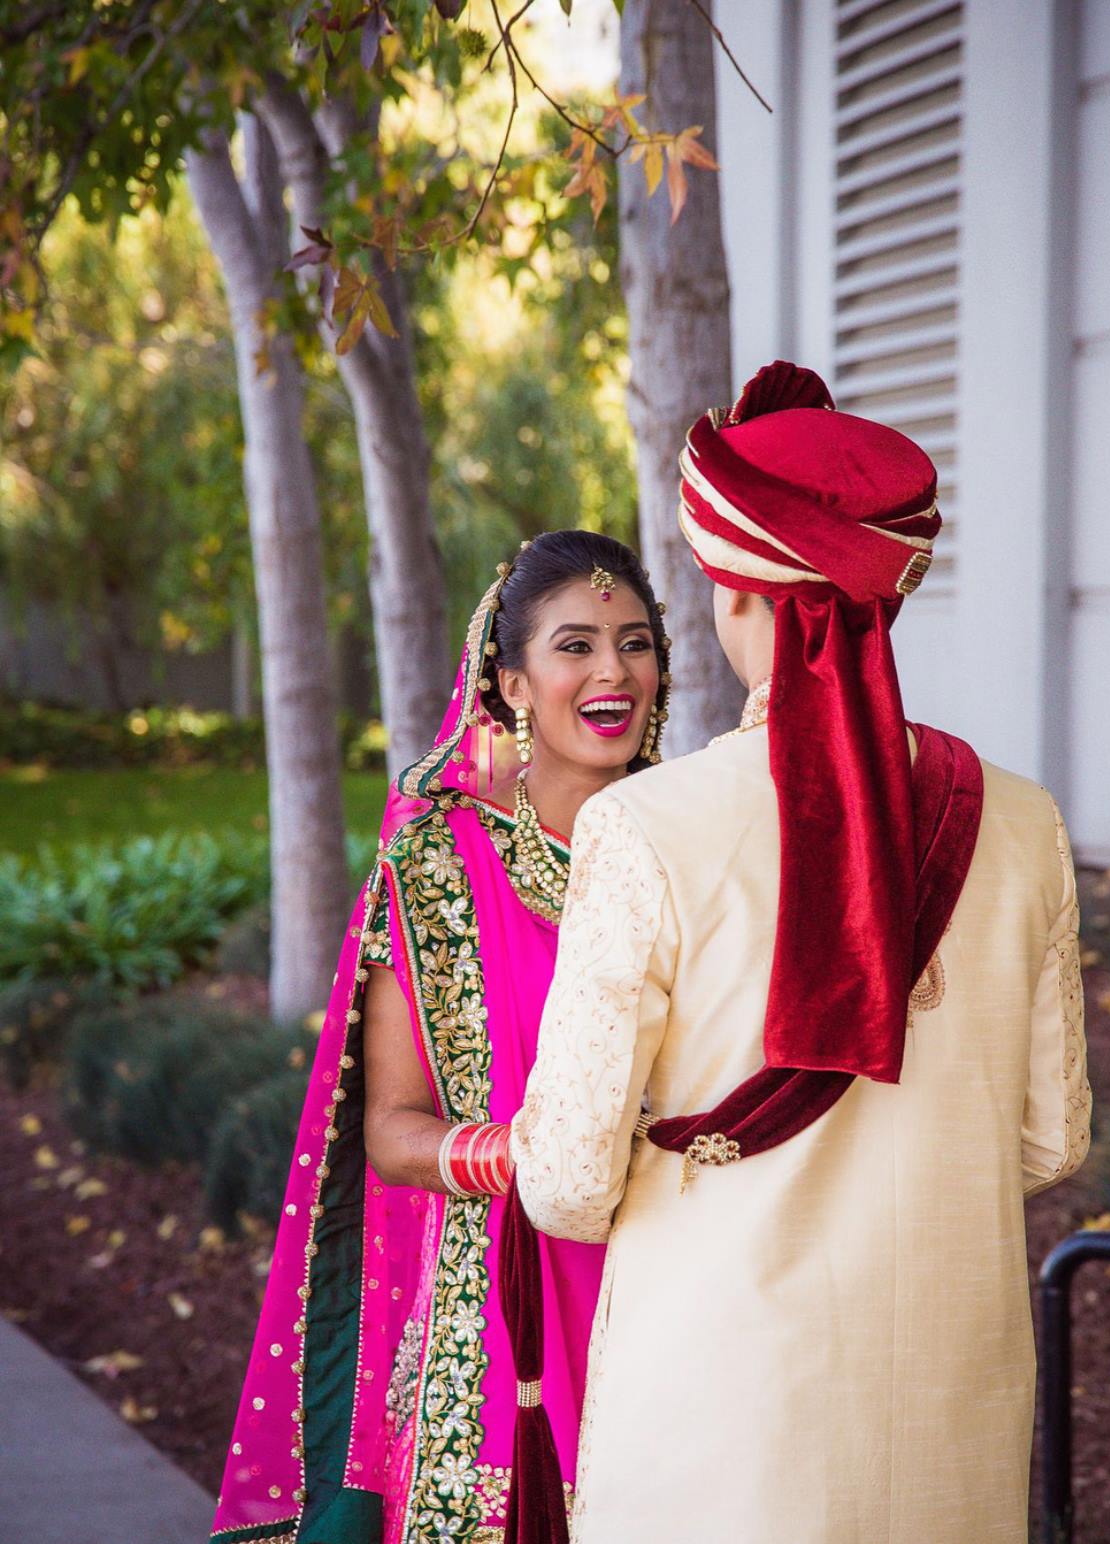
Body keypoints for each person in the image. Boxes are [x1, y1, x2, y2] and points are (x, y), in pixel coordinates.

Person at [509, 362, 1092, 1544]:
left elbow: (566, 1185)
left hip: (721, 1423)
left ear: (735, 592)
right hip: (949, 1418)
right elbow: (1052, 1139)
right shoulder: (1023, 820)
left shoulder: (642, 827)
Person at [210, 530, 671, 1544]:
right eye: (576, 644)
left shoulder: (693, 846)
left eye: (635, 642)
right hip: (506, 1307)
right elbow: (391, 1127)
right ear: (510, 681)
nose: (612, 672)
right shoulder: (438, 865)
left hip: (675, 1280)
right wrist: (539, 1154)